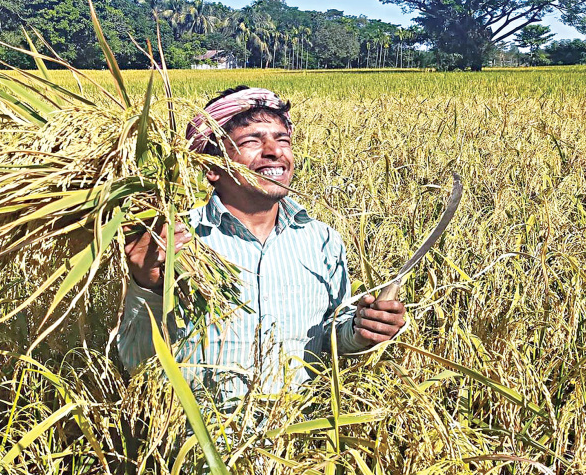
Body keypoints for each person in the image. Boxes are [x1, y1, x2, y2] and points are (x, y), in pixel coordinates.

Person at [116, 86, 406, 401]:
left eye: (282, 139)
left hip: (297, 439)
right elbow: (137, 364)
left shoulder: (322, 240)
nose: (274, 151)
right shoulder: (174, 242)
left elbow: (329, 337)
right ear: (212, 168)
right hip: (201, 441)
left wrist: (362, 328)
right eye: (252, 140)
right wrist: (148, 285)